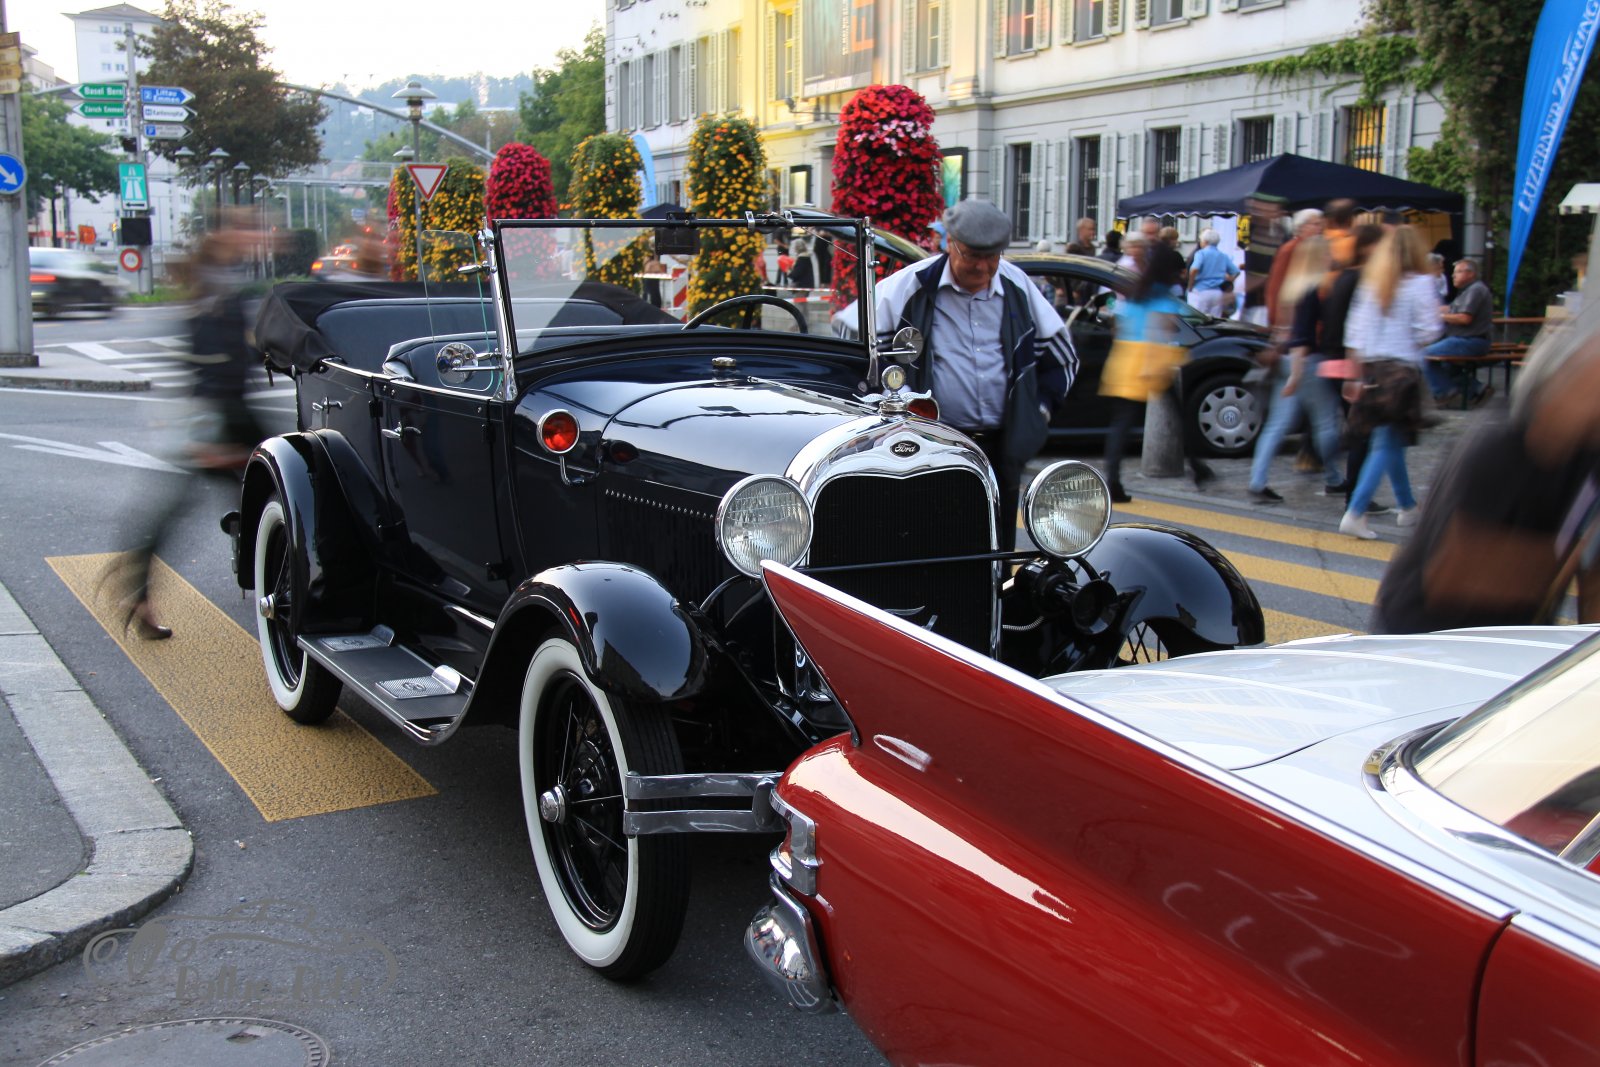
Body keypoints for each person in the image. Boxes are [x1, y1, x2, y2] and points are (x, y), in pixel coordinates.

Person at [1372, 294, 1600, 632]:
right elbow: (1452, 573)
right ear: (1560, 385)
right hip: (1426, 634)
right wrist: (1568, 553)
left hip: (1519, 639)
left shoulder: (1587, 452)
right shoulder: (1498, 445)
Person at [872, 199, 1078, 549]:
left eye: (992, 257)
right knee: (932, 538)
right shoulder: (911, 285)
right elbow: (866, 350)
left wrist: (1037, 412)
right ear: (949, 243)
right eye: (972, 256)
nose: (983, 267)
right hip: (934, 442)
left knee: (997, 542)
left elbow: (1062, 358)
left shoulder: (1016, 286)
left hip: (1001, 444)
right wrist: (904, 408)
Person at [104, 210, 271, 638]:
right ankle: (137, 587)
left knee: (236, 500)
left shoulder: (221, 282)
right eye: (246, 228)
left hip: (229, 414)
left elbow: (235, 354)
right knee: (274, 494)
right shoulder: (212, 291)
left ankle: (136, 586)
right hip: (218, 418)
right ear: (226, 234)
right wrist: (204, 438)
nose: (255, 235)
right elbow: (207, 364)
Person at [1338, 225, 1443, 539]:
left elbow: (1354, 332)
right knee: (1387, 442)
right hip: (1402, 372)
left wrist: (1353, 374)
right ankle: (1356, 511)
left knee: (1391, 440)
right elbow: (1430, 330)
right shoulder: (1420, 283)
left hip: (1373, 370)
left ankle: (1408, 507)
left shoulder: (1373, 281)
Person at [1099, 250, 1213, 503]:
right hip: (1151, 360)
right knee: (1179, 414)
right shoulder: (1163, 296)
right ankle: (1197, 466)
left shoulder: (1137, 291)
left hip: (1125, 357)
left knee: (1121, 425)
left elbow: (1119, 324)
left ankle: (1114, 480)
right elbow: (1162, 330)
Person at [1246, 236, 1341, 502]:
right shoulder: (1315, 288)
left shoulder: (1292, 286)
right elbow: (1304, 335)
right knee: (1326, 422)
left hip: (1286, 359)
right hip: (1306, 361)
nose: (1331, 256)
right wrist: (1297, 375)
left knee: (1276, 425)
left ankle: (1257, 481)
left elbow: (1282, 328)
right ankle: (1334, 477)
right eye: (1327, 253)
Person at [1421, 258, 1495, 406]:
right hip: (1468, 340)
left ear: (1470, 273)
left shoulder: (1475, 290)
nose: (1453, 275)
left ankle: (1445, 393)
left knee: (1423, 355)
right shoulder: (1468, 291)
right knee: (1447, 366)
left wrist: (1438, 316)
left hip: (1471, 341)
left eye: (1458, 272)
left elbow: (1464, 318)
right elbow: (1451, 309)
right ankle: (1477, 388)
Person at [1240, 194, 1287, 327]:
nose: (1255, 210)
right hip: (1252, 303)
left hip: (1264, 305)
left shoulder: (1280, 235)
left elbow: (1271, 273)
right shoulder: (1252, 230)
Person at [1186, 228, 1238, 318]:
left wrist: (1190, 285)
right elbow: (1236, 272)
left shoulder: (1201, 254)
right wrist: (1229, 279)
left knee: (1197, 319)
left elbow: (1194, 269)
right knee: (1215, 320)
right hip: (1217, 292)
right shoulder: (1223, 256)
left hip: (1200, 290)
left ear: (1205, 241)